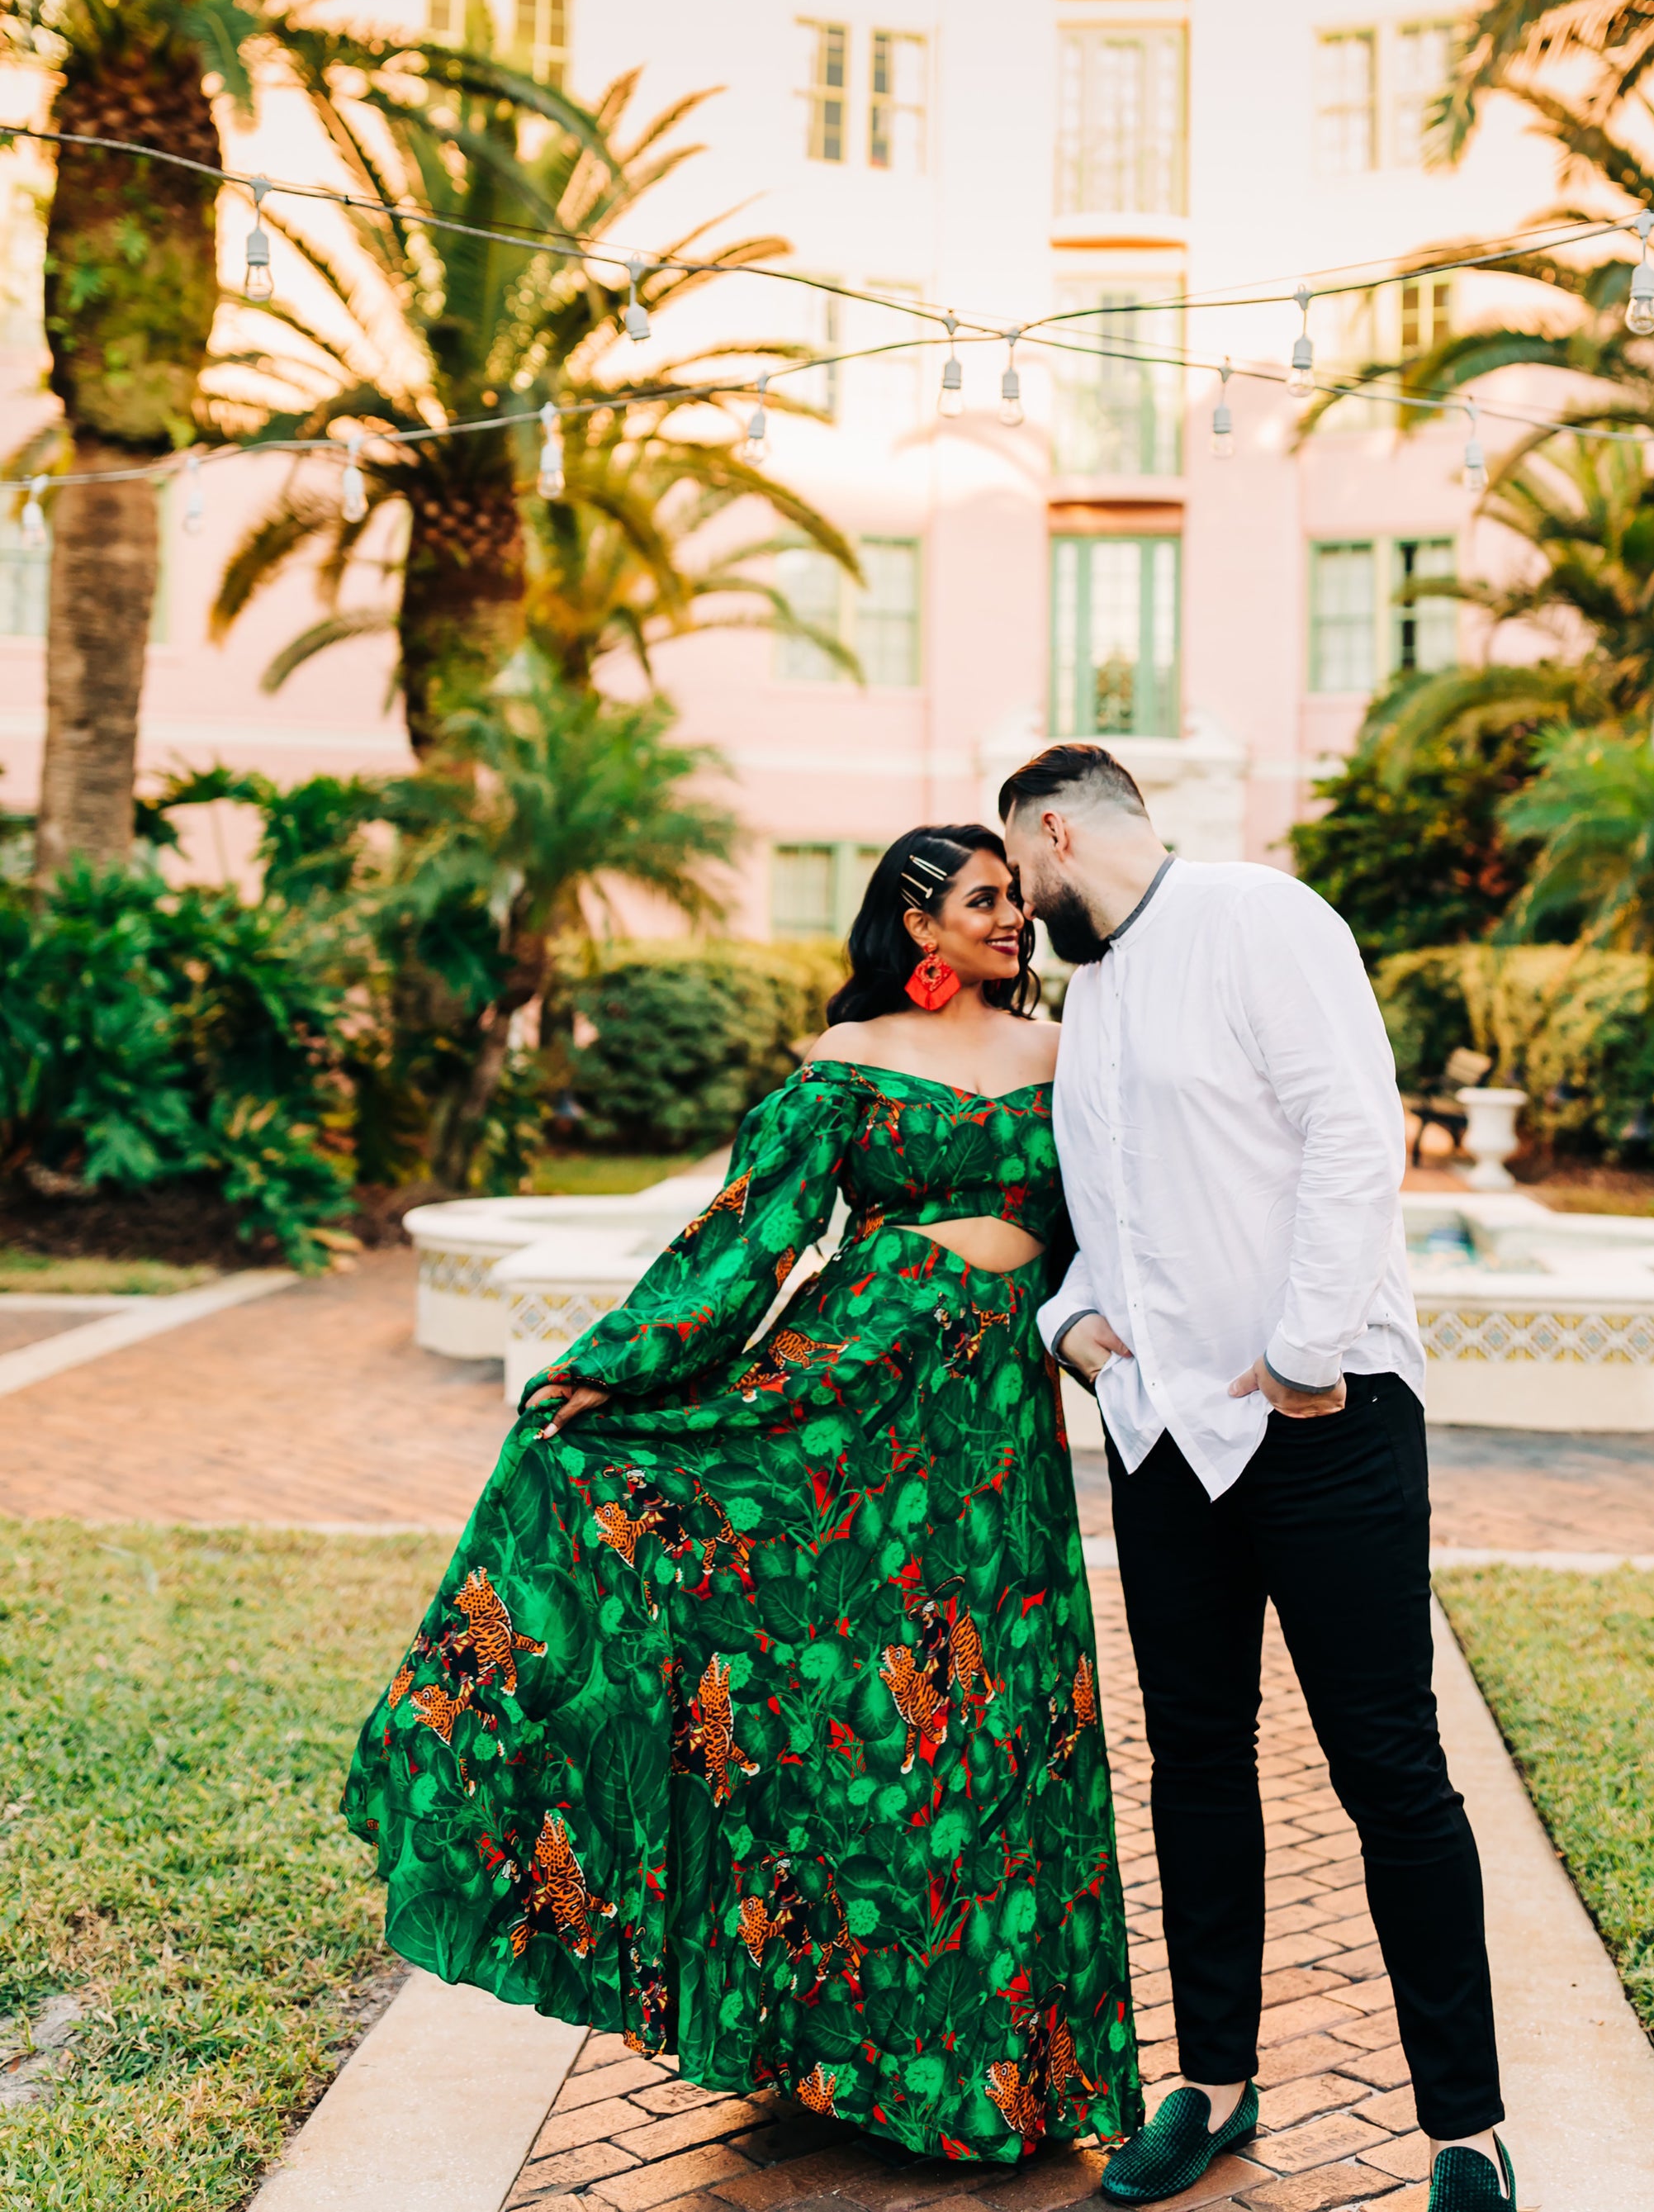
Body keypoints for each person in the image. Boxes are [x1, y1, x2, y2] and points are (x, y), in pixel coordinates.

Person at [343, 824, 1141, 2164]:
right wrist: (609, 1371)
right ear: (918, 920)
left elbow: (1122, 1216)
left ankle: (993, 2072)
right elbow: (744, 1244)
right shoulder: (844, 1064)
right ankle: (836, 2056)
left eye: (1017, 898)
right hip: (843, 1413)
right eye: (987, 900)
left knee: (998, 1725)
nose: (1016, 919)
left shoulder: (1077, 1056)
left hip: (993, 1433)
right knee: (845, 1721)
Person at [998, 744, 1515, 2212]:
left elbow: (1358, 1130)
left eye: (1019, 876)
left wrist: (1298, 1355)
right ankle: (1212, 2084)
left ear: (1051, 830)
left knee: (1390, 1772)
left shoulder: (1264, 918)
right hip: (1164, 1443)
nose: (1021, 909)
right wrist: (1076, 1332)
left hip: (1329, 1421)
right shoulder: (1087, 1001)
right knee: (1197, 1767)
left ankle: (1465, 2131)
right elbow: (1098, 1217)